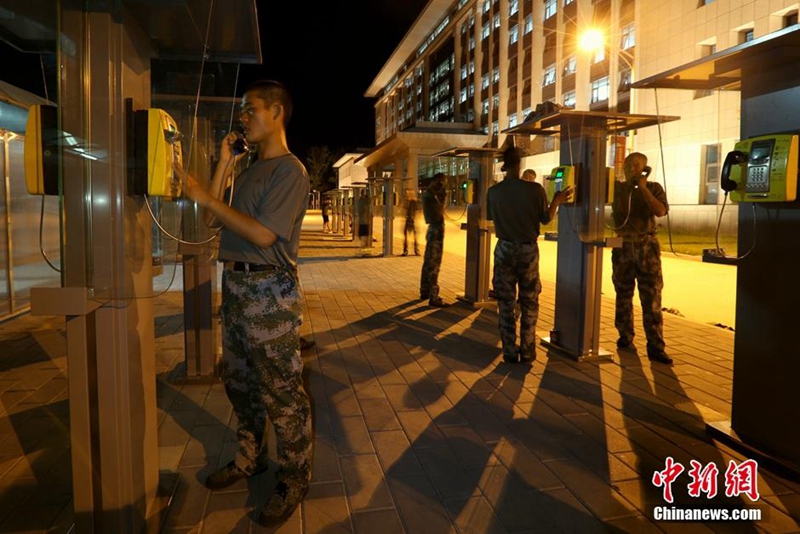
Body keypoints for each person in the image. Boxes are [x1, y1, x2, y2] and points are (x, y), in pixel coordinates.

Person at [178, 79, 313, 527]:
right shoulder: (248, 167)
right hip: (235, 287)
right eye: (242, 110)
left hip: (268, 291)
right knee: (239, 382)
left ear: (276, 112)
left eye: (251, 108)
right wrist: (222, 164)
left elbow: (262, 234)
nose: (244, 116)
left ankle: (295, 475)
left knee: (282, 392)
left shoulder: (289, 171)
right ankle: (249, 457)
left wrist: (204, 195)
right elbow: (208, 215)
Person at [487, 147, 572, 363]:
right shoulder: (535, 190)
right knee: (529, 301)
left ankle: (508, 350)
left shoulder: (493, 192)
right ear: (520, 164)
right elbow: (546, 219)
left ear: (504, 165)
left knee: (505, 302)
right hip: (527, 251)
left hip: (504, 249)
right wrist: (558, 200)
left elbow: (491, 217)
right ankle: (527, 349)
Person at [611, 152, 672, 365]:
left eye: (636, 166)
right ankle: (625, 335)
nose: (631, 169)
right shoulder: (618, 189)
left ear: (645, 168)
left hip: (647, 247)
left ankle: (656, 345)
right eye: (628, 165)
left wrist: (643, 188)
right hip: (623, 247)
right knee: (623, 294)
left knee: (652, 297)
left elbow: (660, 211)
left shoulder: (654, 188)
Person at [420, 173, 448, 307]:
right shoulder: (432, 195)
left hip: (433, 229)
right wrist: (442, 200)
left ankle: (424, 290)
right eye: (441, 183)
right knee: (434, 263)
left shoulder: (428, 194)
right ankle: (433, 295)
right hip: (436, 229)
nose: (442, 186)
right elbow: (439, 212)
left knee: (428, 261)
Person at [402, 188, 419, 256]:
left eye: (409, 193)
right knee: (406, 236)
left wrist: (415, 218)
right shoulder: (406, 201)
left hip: (413, 220)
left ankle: (416, 250)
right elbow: (404, 209)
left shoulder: (414, 202)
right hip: (407, 220)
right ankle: (405, 250)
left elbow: (417, 210)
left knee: (415, 236)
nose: (408, 195)